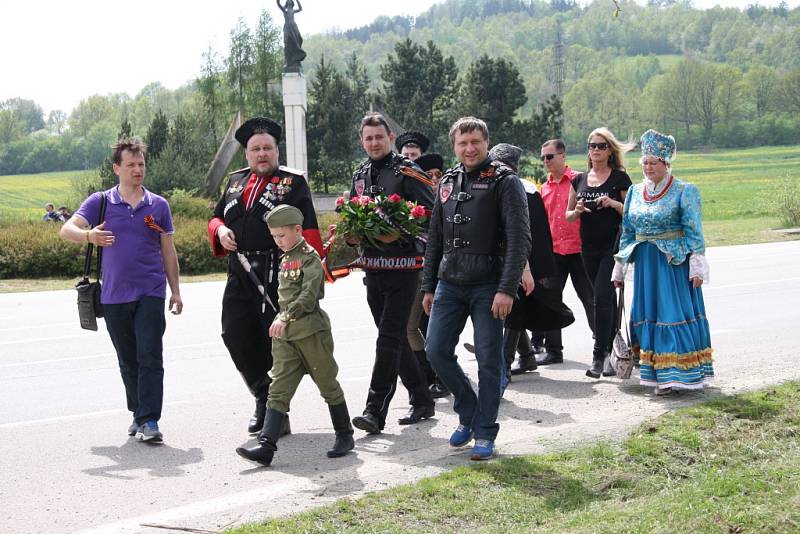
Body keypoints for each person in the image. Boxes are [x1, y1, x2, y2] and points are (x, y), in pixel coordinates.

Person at [422, 117, 531, 460]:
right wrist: (428, 286)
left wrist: (507, 289)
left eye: (475, 142)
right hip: (449, 284)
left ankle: (485, 432)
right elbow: (435, 239)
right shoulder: (448, 182)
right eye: (462, 143)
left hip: (489, 286)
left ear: (486, 142)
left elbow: (519, 240)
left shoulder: (505, 181)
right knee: (435, 350)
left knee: (488, 360)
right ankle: (468, 411)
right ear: (454, 145)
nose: (469, 148)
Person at [60, 138, 182, 442]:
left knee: (150, 355)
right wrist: (89, 235)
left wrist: (176, 291)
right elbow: (66, 230)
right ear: (117, 168)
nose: (138, 170)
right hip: (113, 295)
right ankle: (138, 412)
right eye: (131, 165)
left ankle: (149, 420)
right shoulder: (100, 202)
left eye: (141, 164)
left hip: (151, 291)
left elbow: (168, 251)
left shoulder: (159, 205)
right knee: (128, 359)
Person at [207, 117, 323, 437]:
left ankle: (274, 411)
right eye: (255, 149)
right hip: (240, 271)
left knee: (279, 345)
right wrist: (221, 230)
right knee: (235, 334)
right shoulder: (234, 181)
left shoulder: (293, 182)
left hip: (279, 271)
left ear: (276, 150)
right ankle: (262, 393)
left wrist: (311, 275)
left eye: (267, 148)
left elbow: (308, 229)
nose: (261, 154)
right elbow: (216, 217)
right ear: (246, 153)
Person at [236, 205, 354, 465]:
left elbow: (310, 295)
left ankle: (345, 434)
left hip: (310, 333)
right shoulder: (286, 256)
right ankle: (266, 445)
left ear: (298, 230)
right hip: (286, 336)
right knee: (278, 389)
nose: (277, 241)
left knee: (327, 384)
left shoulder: (309, 257)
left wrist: (285, 316)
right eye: (274, 237)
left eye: (281, 236)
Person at [347, 112, 436, 435]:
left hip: (405, 270)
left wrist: (400, 236)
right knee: (394, 339)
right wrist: (351, 235)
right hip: (372, 268)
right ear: (362, 141)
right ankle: (422, 398)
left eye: (379, 137)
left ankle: (374, 410)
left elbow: (431, 218)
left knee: (387, 339)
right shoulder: (359, 175)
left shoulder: (409, 171)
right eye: (368, 138)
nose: (373, 143)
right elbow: (353, 217)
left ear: (390, 138)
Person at [613, 129, 713, 395]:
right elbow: (628, 232)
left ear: (666, 163)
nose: (648, 167)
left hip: (672, 265)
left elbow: (694, 232)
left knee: (670, 315)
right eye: (645, 162)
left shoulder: (684, 190)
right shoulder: (634, 192)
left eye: (653, 162)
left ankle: (675, 374)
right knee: (647, 314)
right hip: (646, 264)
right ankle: (655, 373)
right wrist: (620, 267)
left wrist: (697, 266)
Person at [483, 143, 556, 380]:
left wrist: (535, 269)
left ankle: (504, 363)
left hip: (523, 262)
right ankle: (526, 356)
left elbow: (537, 235)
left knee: (515, 311)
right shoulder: (488, 186)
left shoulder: (527, 191)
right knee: (511, 310)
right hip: (494, 260)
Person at [566, 128, 633, 378]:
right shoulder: (579, 180)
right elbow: (568, 214)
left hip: (612, 247)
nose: (596, 150)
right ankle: (615, 348)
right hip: (588, 248)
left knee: (602, 298)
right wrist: (579, 210)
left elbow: (632, 212)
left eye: (601, 146)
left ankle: (599, 355)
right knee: (602, 300)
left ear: (610, 150)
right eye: (592, 145)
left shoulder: (620, 179)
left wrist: (614, 203)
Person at [533, 139, 595, 368]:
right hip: (555, 252)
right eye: (543, 158)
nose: (546, 162)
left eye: (549, 156)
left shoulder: (580, 180)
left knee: (590, 299)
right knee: (551, 301)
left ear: (562, 156)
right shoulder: (545, 187)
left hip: (579, 249)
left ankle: (603, 348)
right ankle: (553, 350)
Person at [408, 152, 450, 398]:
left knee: (439, 331)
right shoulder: (415, 207)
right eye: (429, 176)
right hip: (420, 274)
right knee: (412, 328)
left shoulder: (451, 200)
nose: (434, 180)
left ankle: (442, 377)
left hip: (446, 276)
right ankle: (430, 376)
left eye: (438, 175)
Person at [277, 0, 306, 71]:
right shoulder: (285, 9)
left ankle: (297, 60)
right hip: (287, 27)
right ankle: (288, 61)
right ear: (287, 3)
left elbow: (300, 8)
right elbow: (278, 4)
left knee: (297, 42)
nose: (289, 1)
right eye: (288, 1)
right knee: (287, 43)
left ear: (292, 3)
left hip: (293, 26)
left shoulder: (293, 10)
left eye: (291, 1)